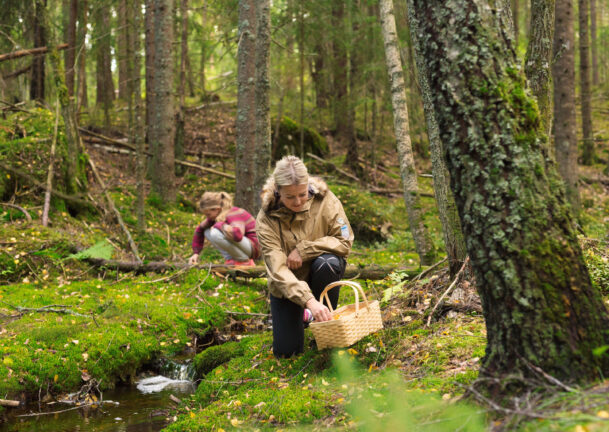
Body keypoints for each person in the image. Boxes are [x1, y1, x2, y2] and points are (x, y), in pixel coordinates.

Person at [256, 155, 354, 357]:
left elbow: (344, 240)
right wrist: (309, 300)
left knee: (327, 263)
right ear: (277, 191)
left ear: (308, 185)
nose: (298, 201)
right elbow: (278, 270)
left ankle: (325, 324)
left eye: (302, 194)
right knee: (287, 353)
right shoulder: (266, 219)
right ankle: (307, 313)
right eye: (290, 197)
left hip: (321, 272)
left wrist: (304, 250)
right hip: (287, 285)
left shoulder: (326, 200)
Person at [188, 191, 259, 266]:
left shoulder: (233, 213)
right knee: (207, 231)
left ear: (217, 209)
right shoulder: (216, 216)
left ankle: (244, 260)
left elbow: (238, 236)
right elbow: (200, 229)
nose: (207, 217)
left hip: (254, 247)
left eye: (208, 214)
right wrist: (196, 253)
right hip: (244, 245)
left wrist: (220, 225)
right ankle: (230, 259)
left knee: (215, 233)